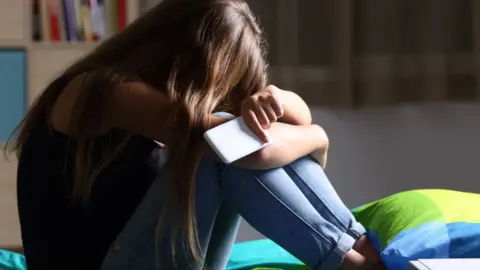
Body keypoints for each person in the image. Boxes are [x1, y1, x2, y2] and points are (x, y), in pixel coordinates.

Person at [5, 0, 384, 269]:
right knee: (222, 148)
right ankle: (351, 260)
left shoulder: (177, 105)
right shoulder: (104, 91)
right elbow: (252, 153)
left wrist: (277, 99)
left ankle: (359, 246)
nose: (222, 98)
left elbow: (284, 129)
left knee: (233, 139)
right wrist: (319, 136)